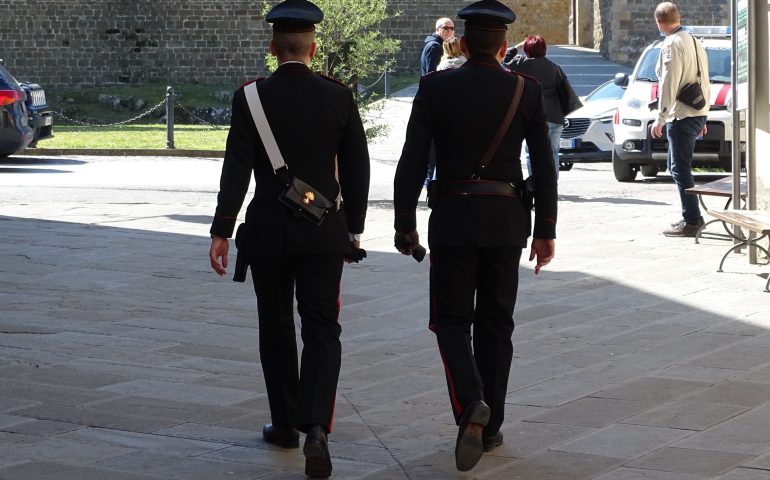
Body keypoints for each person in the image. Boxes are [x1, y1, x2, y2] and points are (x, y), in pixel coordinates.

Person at [207, 0, 370, 477]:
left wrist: (221, 229)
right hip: (323, 232)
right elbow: (357, 169)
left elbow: (235, 170)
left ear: (272, 48)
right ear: (313, 50)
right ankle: (317, 425)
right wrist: (354, 229)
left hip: (268, 233)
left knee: (275, 326)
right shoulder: (339, 96)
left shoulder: (251, 98)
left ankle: (284, 423)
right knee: (323, 330)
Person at [393, 0, 557, 472]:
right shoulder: (524, 91)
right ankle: (492, 425)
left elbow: (412, 160)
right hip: (507, 219)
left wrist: (405, 223)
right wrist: (545, 229)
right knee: (496, 324)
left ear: (461, 44)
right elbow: (543, 165)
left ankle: (470, 405)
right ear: (504, 48)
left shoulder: (435, 87)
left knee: (449, 321)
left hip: (452, 219)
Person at [651, 2, 711, 237]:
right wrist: (704, 114)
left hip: (682, 113)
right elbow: (704, 78)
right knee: (677, 166)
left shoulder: (672, 43)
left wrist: (661, 116)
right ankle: (691, 215)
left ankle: (692, 220)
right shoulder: (695, 41)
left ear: (659, 22)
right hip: (697, 111)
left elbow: (669, 81)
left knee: (680, 167)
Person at [506, 35, 581, 179]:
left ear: (527, 49)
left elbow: (504, 59)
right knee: (553, 152)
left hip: (534, 116)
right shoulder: (554, 68)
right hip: (555, 116)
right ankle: (552, 185)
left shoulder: (522, 65)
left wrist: (517, 47)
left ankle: (535, 183)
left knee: (532, 152)